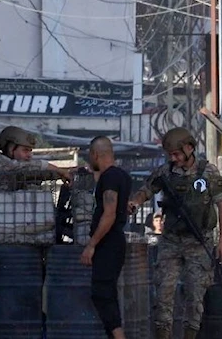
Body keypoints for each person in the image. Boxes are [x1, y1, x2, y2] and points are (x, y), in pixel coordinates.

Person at [127, 127, 222, 339]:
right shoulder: (166, 173)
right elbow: (147, 189)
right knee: (163, 294)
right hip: (171, 241)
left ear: (189, 148)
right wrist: (135, 202)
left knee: (195, 296)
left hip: (199, 242)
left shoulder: (208, 173)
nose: (174, 159)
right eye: (170, 155)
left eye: (177, 154)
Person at [80, 136, 132, 339]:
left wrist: (91, 244)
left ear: (94, 154)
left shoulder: (109, 178)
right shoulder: (121, 176)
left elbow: (109, 214)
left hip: (108, 243)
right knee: (106, 293)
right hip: (114, 242)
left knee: (102, 294)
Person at [0, 126, 71, 192]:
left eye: (30, 151)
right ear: (11, 149)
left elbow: (35, 172)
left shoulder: (19, 169)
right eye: (25, 150)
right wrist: (60, 171)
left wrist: (62, 173)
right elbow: (32, 166)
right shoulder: (2, 166)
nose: (30, 155)